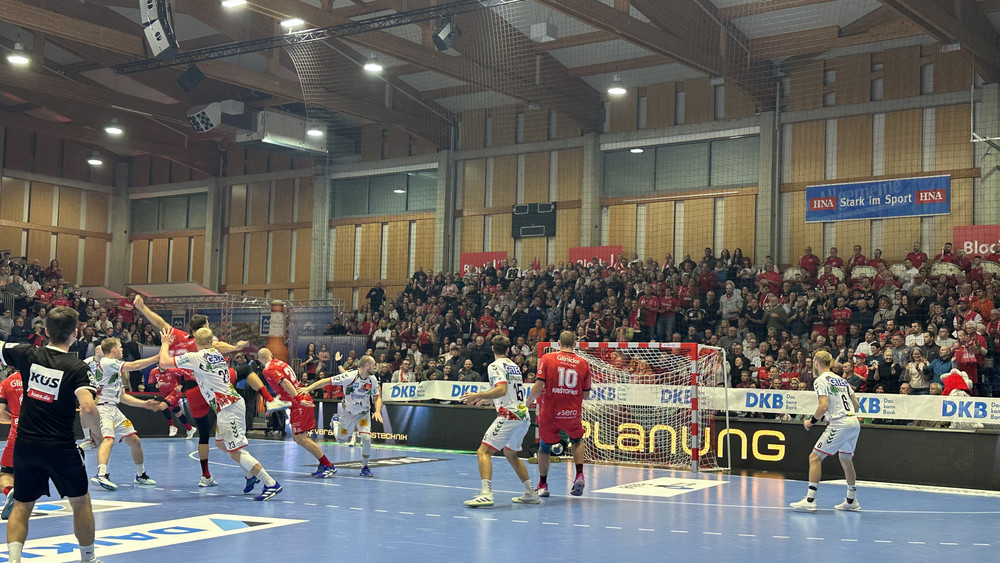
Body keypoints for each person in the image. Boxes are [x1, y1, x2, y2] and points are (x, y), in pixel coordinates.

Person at [0, 306, 102, 563]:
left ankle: (13, 560)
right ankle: (88, 559)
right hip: (60, 448)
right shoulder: (78, 367)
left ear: (46, 331)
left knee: (22, 505)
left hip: (26, 445)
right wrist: (95, 434)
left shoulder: (26, 354)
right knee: (80, 502)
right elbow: (88, 407)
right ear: (75, 333)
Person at [132, 294, 246, 487]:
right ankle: (247, 463)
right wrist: (235, 347)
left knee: (203, 434)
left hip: (192, 391)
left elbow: (159, 322)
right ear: (204, 328)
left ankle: (205, 475)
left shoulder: (178, 336)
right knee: (245, 372)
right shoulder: (204, 341)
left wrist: (142, 308)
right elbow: (219, 346)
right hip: (211, 388)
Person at [159, 327, 282, 501]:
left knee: (235, 451)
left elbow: (163, 362)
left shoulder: (196, 357)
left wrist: (165, 343)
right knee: (220, 444)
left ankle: (270, 483)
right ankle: (250, 475)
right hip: (228, 404)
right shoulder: (217, 354)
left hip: (228, 407)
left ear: (195, 342)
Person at [459, 335, 537, 507]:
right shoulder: (514, 366)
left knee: (483, 452)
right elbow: (507, 391)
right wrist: (488, 399)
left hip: (509, 416)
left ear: (492, 349)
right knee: (511, 454)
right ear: (508, 350)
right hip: (523, 415)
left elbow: (501, 389)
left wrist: (476, 395)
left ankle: (486, 494)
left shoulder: (495, 366)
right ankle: (531, 493)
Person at [89, 338, 166, 490]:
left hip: (113, 409)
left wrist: (145, 404)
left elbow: (123, 397)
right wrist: (159, 357)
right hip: (103, 409)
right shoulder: (106, 362)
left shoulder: (114, 370)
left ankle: (140, 475)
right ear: (113, 350)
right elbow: (135, 365)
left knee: (135, 441)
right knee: (108, 440)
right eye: (120, 346)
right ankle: (101, 474)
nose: (122, 349)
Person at [790, 351, 862, 513]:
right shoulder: (842, 380)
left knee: (814, 457)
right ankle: (851, 500)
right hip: (853, 422)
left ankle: (810, 500)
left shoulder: (821, 381)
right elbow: (856, 405)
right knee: (846, 460)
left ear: (816, 362)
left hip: (840, 423)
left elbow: (823, 406)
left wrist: (811, 421)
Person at [527, 330, 592, 497]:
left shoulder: (548, 358)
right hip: (571, 412)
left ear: (558, 343)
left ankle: (543, 484)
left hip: (550, 412)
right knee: (577, 440)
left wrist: (528, 402)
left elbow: (539, 385)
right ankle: (579, 474)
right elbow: (586, 395)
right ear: (575, 344)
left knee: (544, 447)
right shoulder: (583, 363)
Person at [255, 348, 336, 478]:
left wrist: (298, 399)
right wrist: (276, 403)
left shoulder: (267, 370)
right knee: (297, 437)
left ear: (260, 360)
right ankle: (324, 463)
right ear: (271, 355)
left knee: (300, 438)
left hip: (299, 401)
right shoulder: (281, 363)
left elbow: (286, 383)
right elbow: (284, 387)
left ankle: (328, 465)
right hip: (297, 401)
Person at [299, 355, 383, 477]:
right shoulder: (350, 376)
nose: (375, 367)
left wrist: (378, 411)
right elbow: (326, 381)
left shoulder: (372, 379)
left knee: (366, 439)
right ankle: (336, 422)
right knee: (341, 439)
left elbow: (377, 397)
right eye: (374, 364)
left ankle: (365, 467)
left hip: (363, 414)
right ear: (367, 365)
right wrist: (308, 388)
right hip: (348, 413)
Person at [150, 365, 197, 439]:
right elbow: (150, 385)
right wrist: (156, 385)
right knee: (177, 411)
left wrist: (180, 386)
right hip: (165, 394)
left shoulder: (173, 370)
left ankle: (172, 426)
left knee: (162, 406)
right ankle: (190, 428)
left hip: (175, 392)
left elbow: (185, 375)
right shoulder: (153, 372)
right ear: (157, 365)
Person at [0, 370, 22, 520]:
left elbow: (0, 412)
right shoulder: (42, 378)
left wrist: (14, 419)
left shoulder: (7, 382)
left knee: (6, 473)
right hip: (44, 433)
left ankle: (10, 491)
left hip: (17, 432)